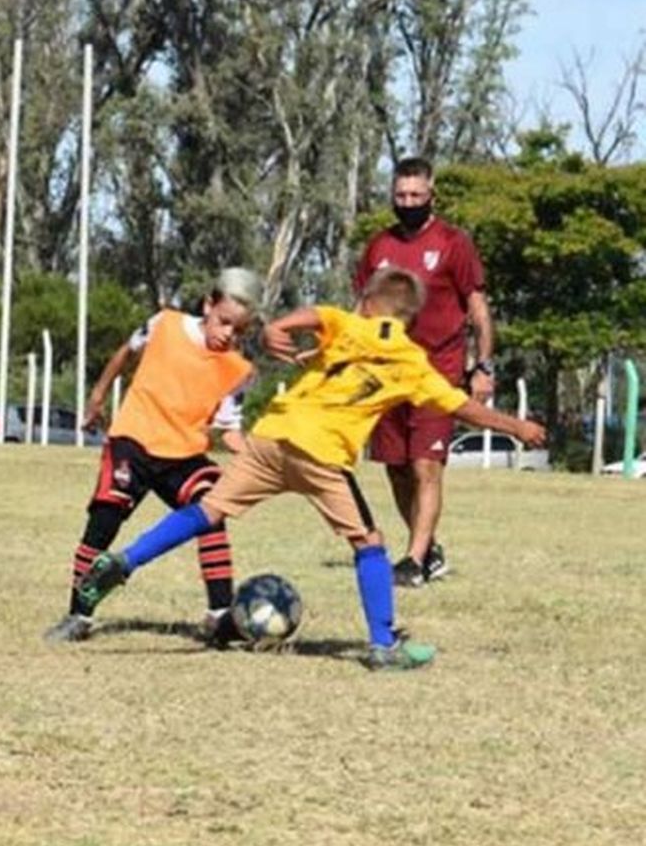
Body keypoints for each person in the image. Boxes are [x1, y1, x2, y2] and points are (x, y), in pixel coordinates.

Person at [75, 268, 545, 671]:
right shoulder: (412, 363)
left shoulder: (347, 323)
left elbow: (315, 315)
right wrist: (516, 426)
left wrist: (277, 327)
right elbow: (462, 406)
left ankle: (124, 561)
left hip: (271, 435)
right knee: (369, 542)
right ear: (409, 319)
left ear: (366, 303)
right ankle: (384, 645)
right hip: (321, 454)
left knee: (210, 510)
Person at [44, 268, 262, 645]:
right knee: (103, 523)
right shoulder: (166, 324)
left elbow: (228, 431)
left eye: (239, 331)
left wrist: (267, 460)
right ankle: (78, 615)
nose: (228, 334)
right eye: (225, 322)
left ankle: (219, 617)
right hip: (133, 441)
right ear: (209, 305)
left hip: (184, 455)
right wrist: (97, 396)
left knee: (213, 508)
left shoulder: (237, 369)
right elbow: (126, 353)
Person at [355, 156, 494, 587]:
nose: (408, 202)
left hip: (438, 372)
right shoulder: (379, 246)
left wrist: (484, 365)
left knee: (425, 466)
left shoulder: (453, 242)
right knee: (396, 468)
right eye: (401, 195)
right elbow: (362, 309)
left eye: (416, 195)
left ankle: (413, 561)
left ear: (431, 194)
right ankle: (428, 548)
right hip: (385, 375)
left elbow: (478, 311)